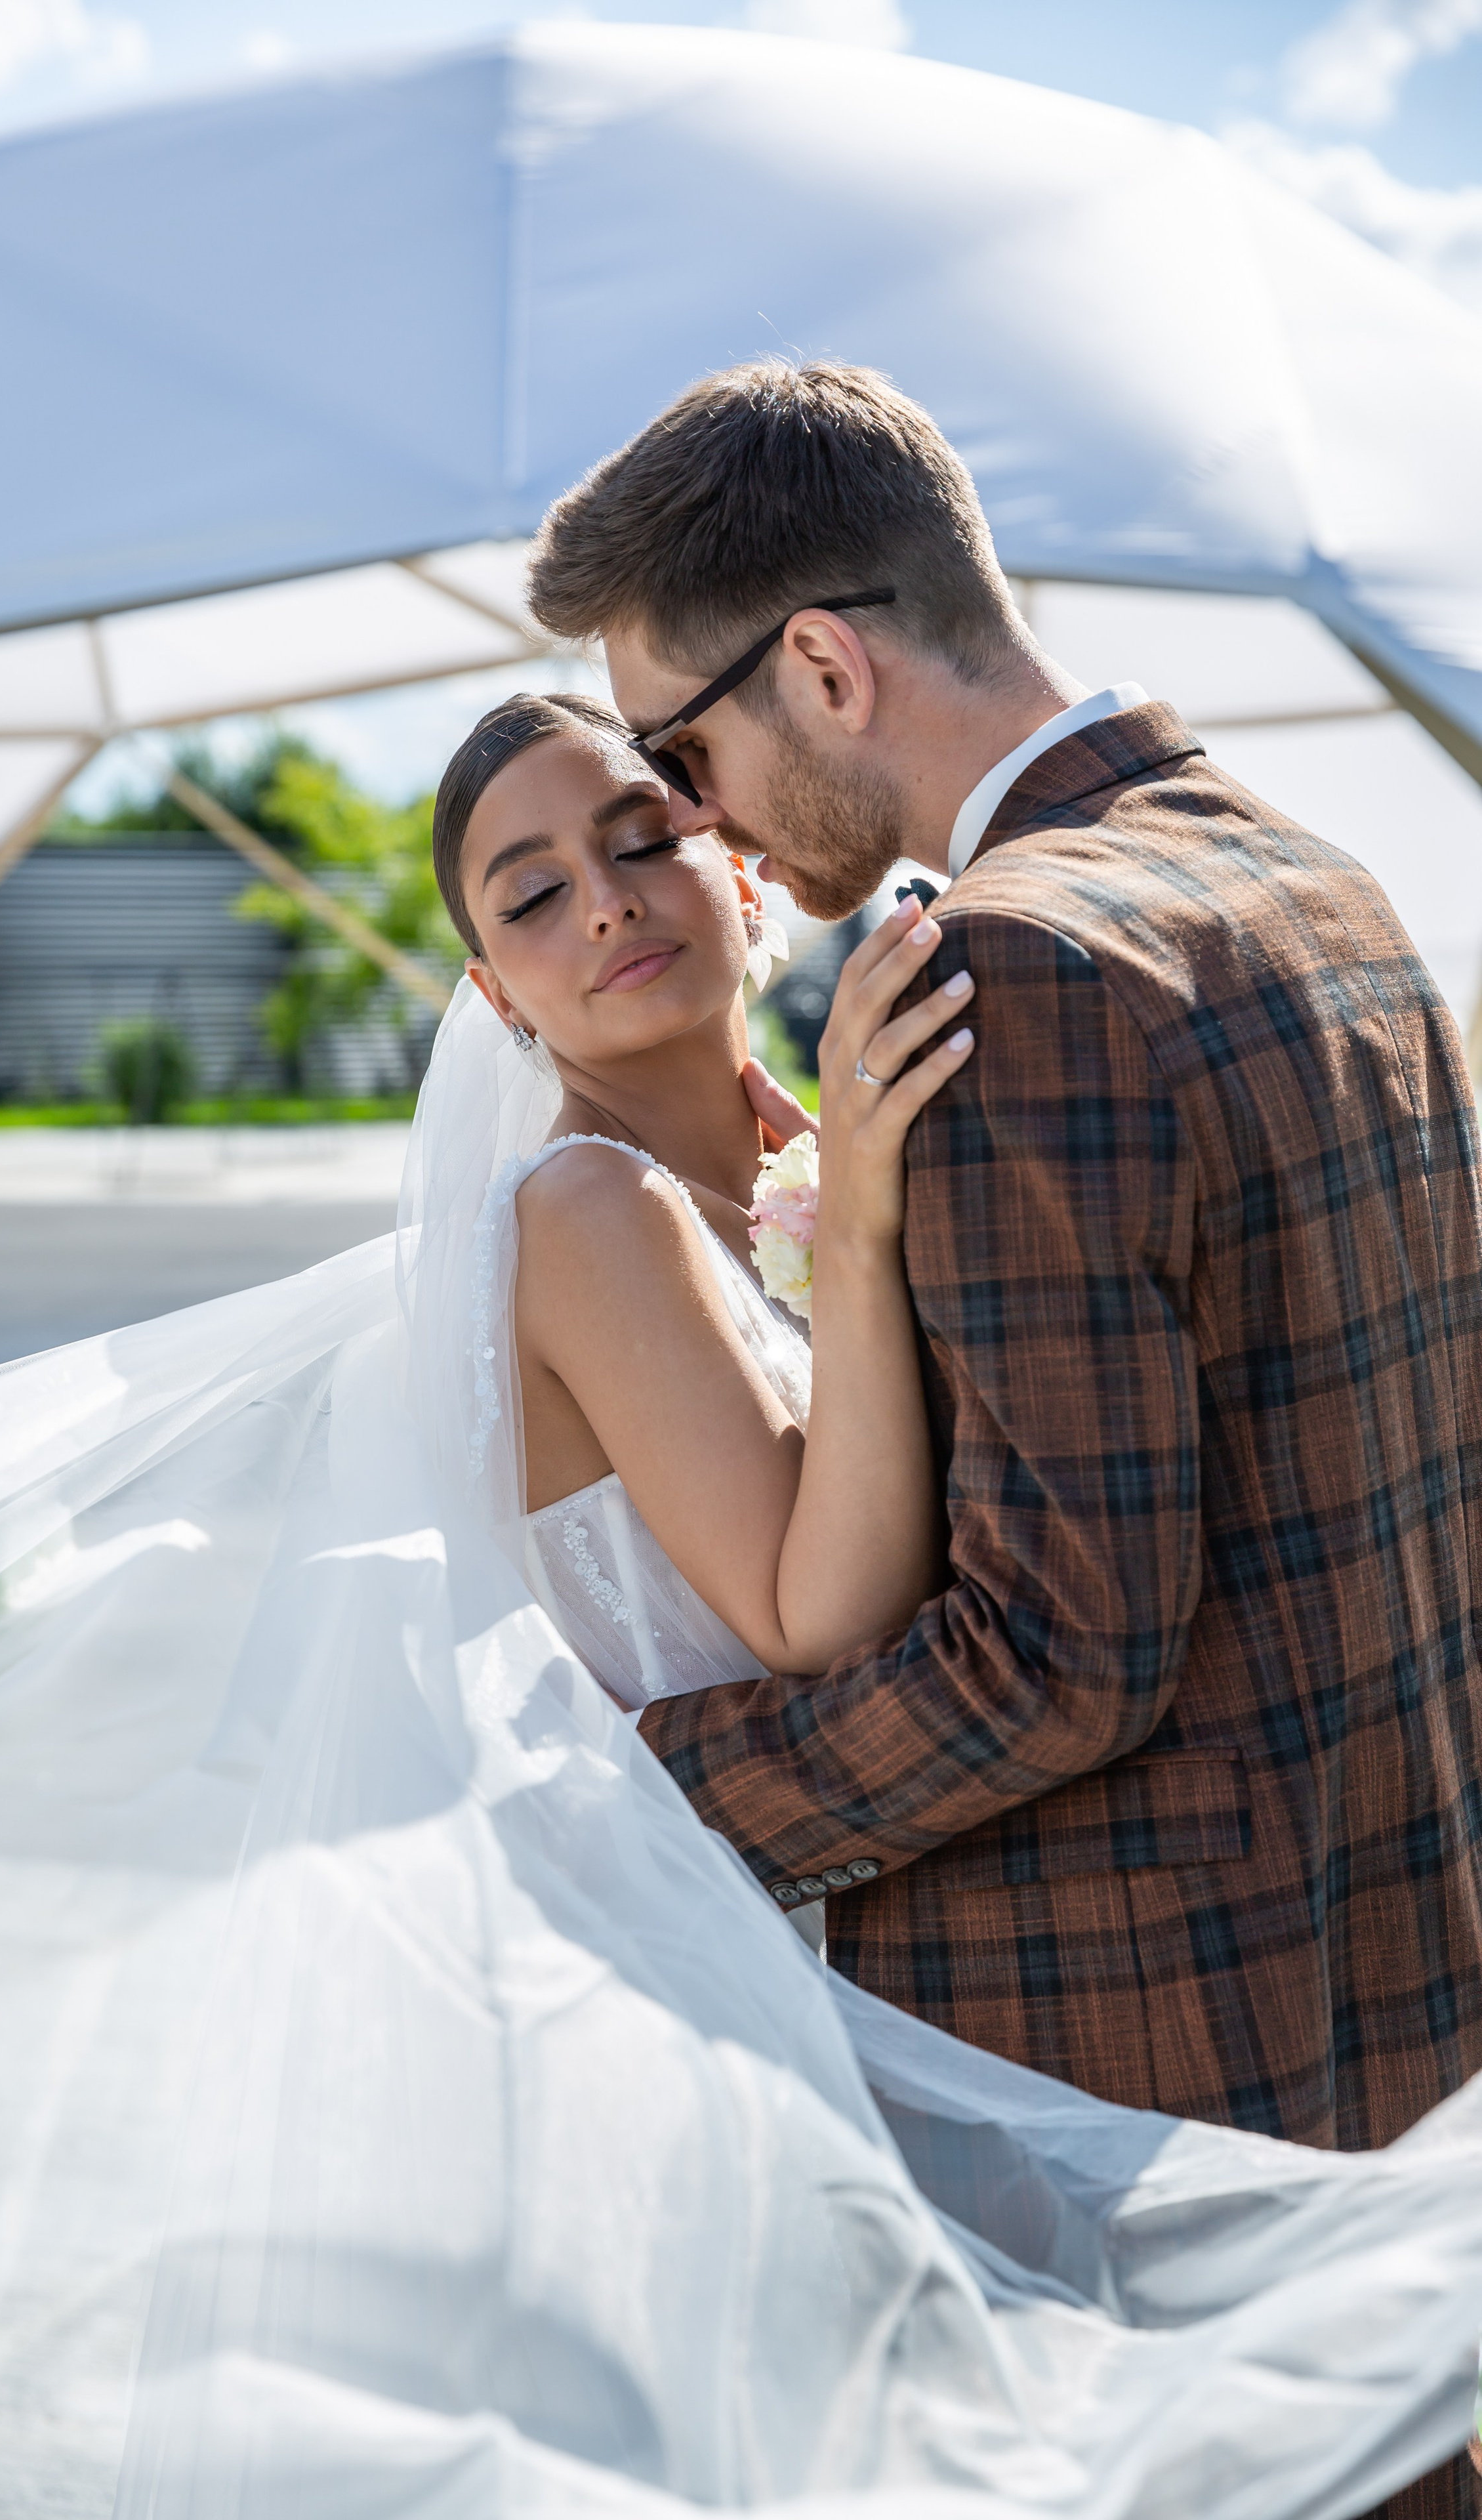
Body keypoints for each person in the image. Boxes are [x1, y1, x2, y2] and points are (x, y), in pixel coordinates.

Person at [0, 690, 1481, 2520]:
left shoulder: (782, 1158)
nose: (603, 903)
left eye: (638, 838)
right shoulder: (592, 1214)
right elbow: (812, 1617)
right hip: (726, 2028)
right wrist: (853, 1231)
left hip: (858, 1963)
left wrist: (837, 1182)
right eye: (528, 897)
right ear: (492, 996)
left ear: (745, 874)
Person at [527, 357, 1482, 2520]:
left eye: (681, 752)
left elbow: (1057, 1655)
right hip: (1401, 2032)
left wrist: (633, 1802)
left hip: (1147, 2088)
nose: (695, 825)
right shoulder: (1324, 885)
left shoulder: (1019, 975)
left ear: (827, 667)